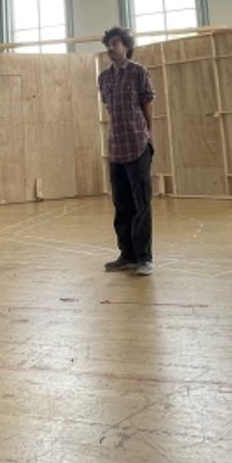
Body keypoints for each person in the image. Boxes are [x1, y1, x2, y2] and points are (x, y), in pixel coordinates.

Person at [98, 26, 156, 276]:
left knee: (141, 203)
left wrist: (148, 135)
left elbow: (146, 104)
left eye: (115, 43)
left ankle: (144, 258)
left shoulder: (138, 72)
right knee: (121, 204)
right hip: (116, 149)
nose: (110, 48)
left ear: (126, 46)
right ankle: (127, 255)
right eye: (108, 44)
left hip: (138, 145)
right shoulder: (104, 78)